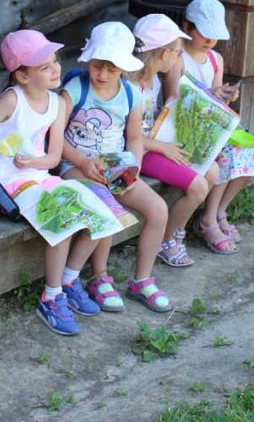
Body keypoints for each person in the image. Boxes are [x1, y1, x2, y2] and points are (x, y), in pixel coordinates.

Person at [0, 30, 107, 336]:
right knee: (61, 220)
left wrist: (33, 163)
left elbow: (53, 158)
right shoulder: (11, 100)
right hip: (7, 183)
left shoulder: (57, 103)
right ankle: (51, 296)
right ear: (22, 76)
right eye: (45, 67)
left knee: (101, 210)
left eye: (55, 61)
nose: (56, 69)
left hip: (39, 176)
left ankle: (69, 279)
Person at [59, 22, 173, 313]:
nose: (102, 74)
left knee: (158, 209)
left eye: (111, 69)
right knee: (106, 204)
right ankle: (99, 276)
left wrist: (132, 166)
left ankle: (142, 280)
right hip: (75, 163)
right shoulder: (75, 89)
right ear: (88, 60)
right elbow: (54, 136)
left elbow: (134, 138)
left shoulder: (131, 94)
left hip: (114, 165)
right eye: (97, 66)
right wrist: (82, 162)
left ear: (124, 67)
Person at [165, 0, 254, 255]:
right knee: (222, 156)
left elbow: (215, 98)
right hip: (183, 128)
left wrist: (224, 96)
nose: (210, 40)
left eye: (214, 35)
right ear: (187, 26)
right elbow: (173, 99)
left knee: (250, 153)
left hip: (209, 125)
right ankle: (208, 221)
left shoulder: (215, 59)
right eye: (204, 33)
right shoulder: (177, 58)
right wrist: (212, 95)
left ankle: (219, 211)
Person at [129, 13, 219, 268]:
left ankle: (177, 230)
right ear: (163, 53)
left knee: (212, 170)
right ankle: (167, 239)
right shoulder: (131, 86)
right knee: (199, 186)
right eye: (178, 52)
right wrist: (163, 147)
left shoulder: (154, 80)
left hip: (155, 145)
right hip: (141, 151)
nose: (180, 57)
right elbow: (130, 137)